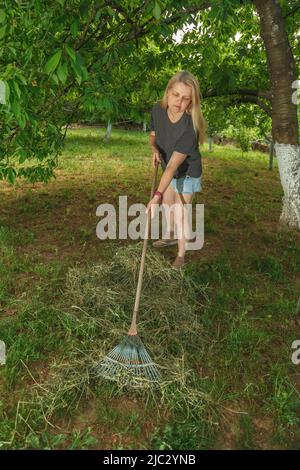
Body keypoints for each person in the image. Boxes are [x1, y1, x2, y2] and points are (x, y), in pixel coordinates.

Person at [146, 70, 206, 268]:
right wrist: (154, 148)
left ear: (191, 102)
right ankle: (170, 236)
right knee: (167, 204)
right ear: (168, 91)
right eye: (176, 95)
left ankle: (181, 255)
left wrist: (155, 195)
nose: (179, 102)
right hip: (168, 167)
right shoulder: (157, 109)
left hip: (187, 172)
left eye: (186, 99)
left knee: (180, 212)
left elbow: (173, 166)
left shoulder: (191, 127)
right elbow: (153, 135)